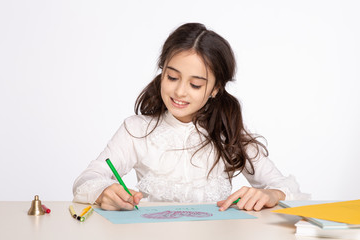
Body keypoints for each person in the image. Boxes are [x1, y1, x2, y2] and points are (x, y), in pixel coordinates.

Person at [73, 23, 308, 212]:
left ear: (215, 89)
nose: (180, 92)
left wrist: (270, 194)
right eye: (172, 77)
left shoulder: (228, 132)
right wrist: (104, 191)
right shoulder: (136, 130)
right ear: (162, 71)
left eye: (195, 84)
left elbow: (285, 187)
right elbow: (87, 179)